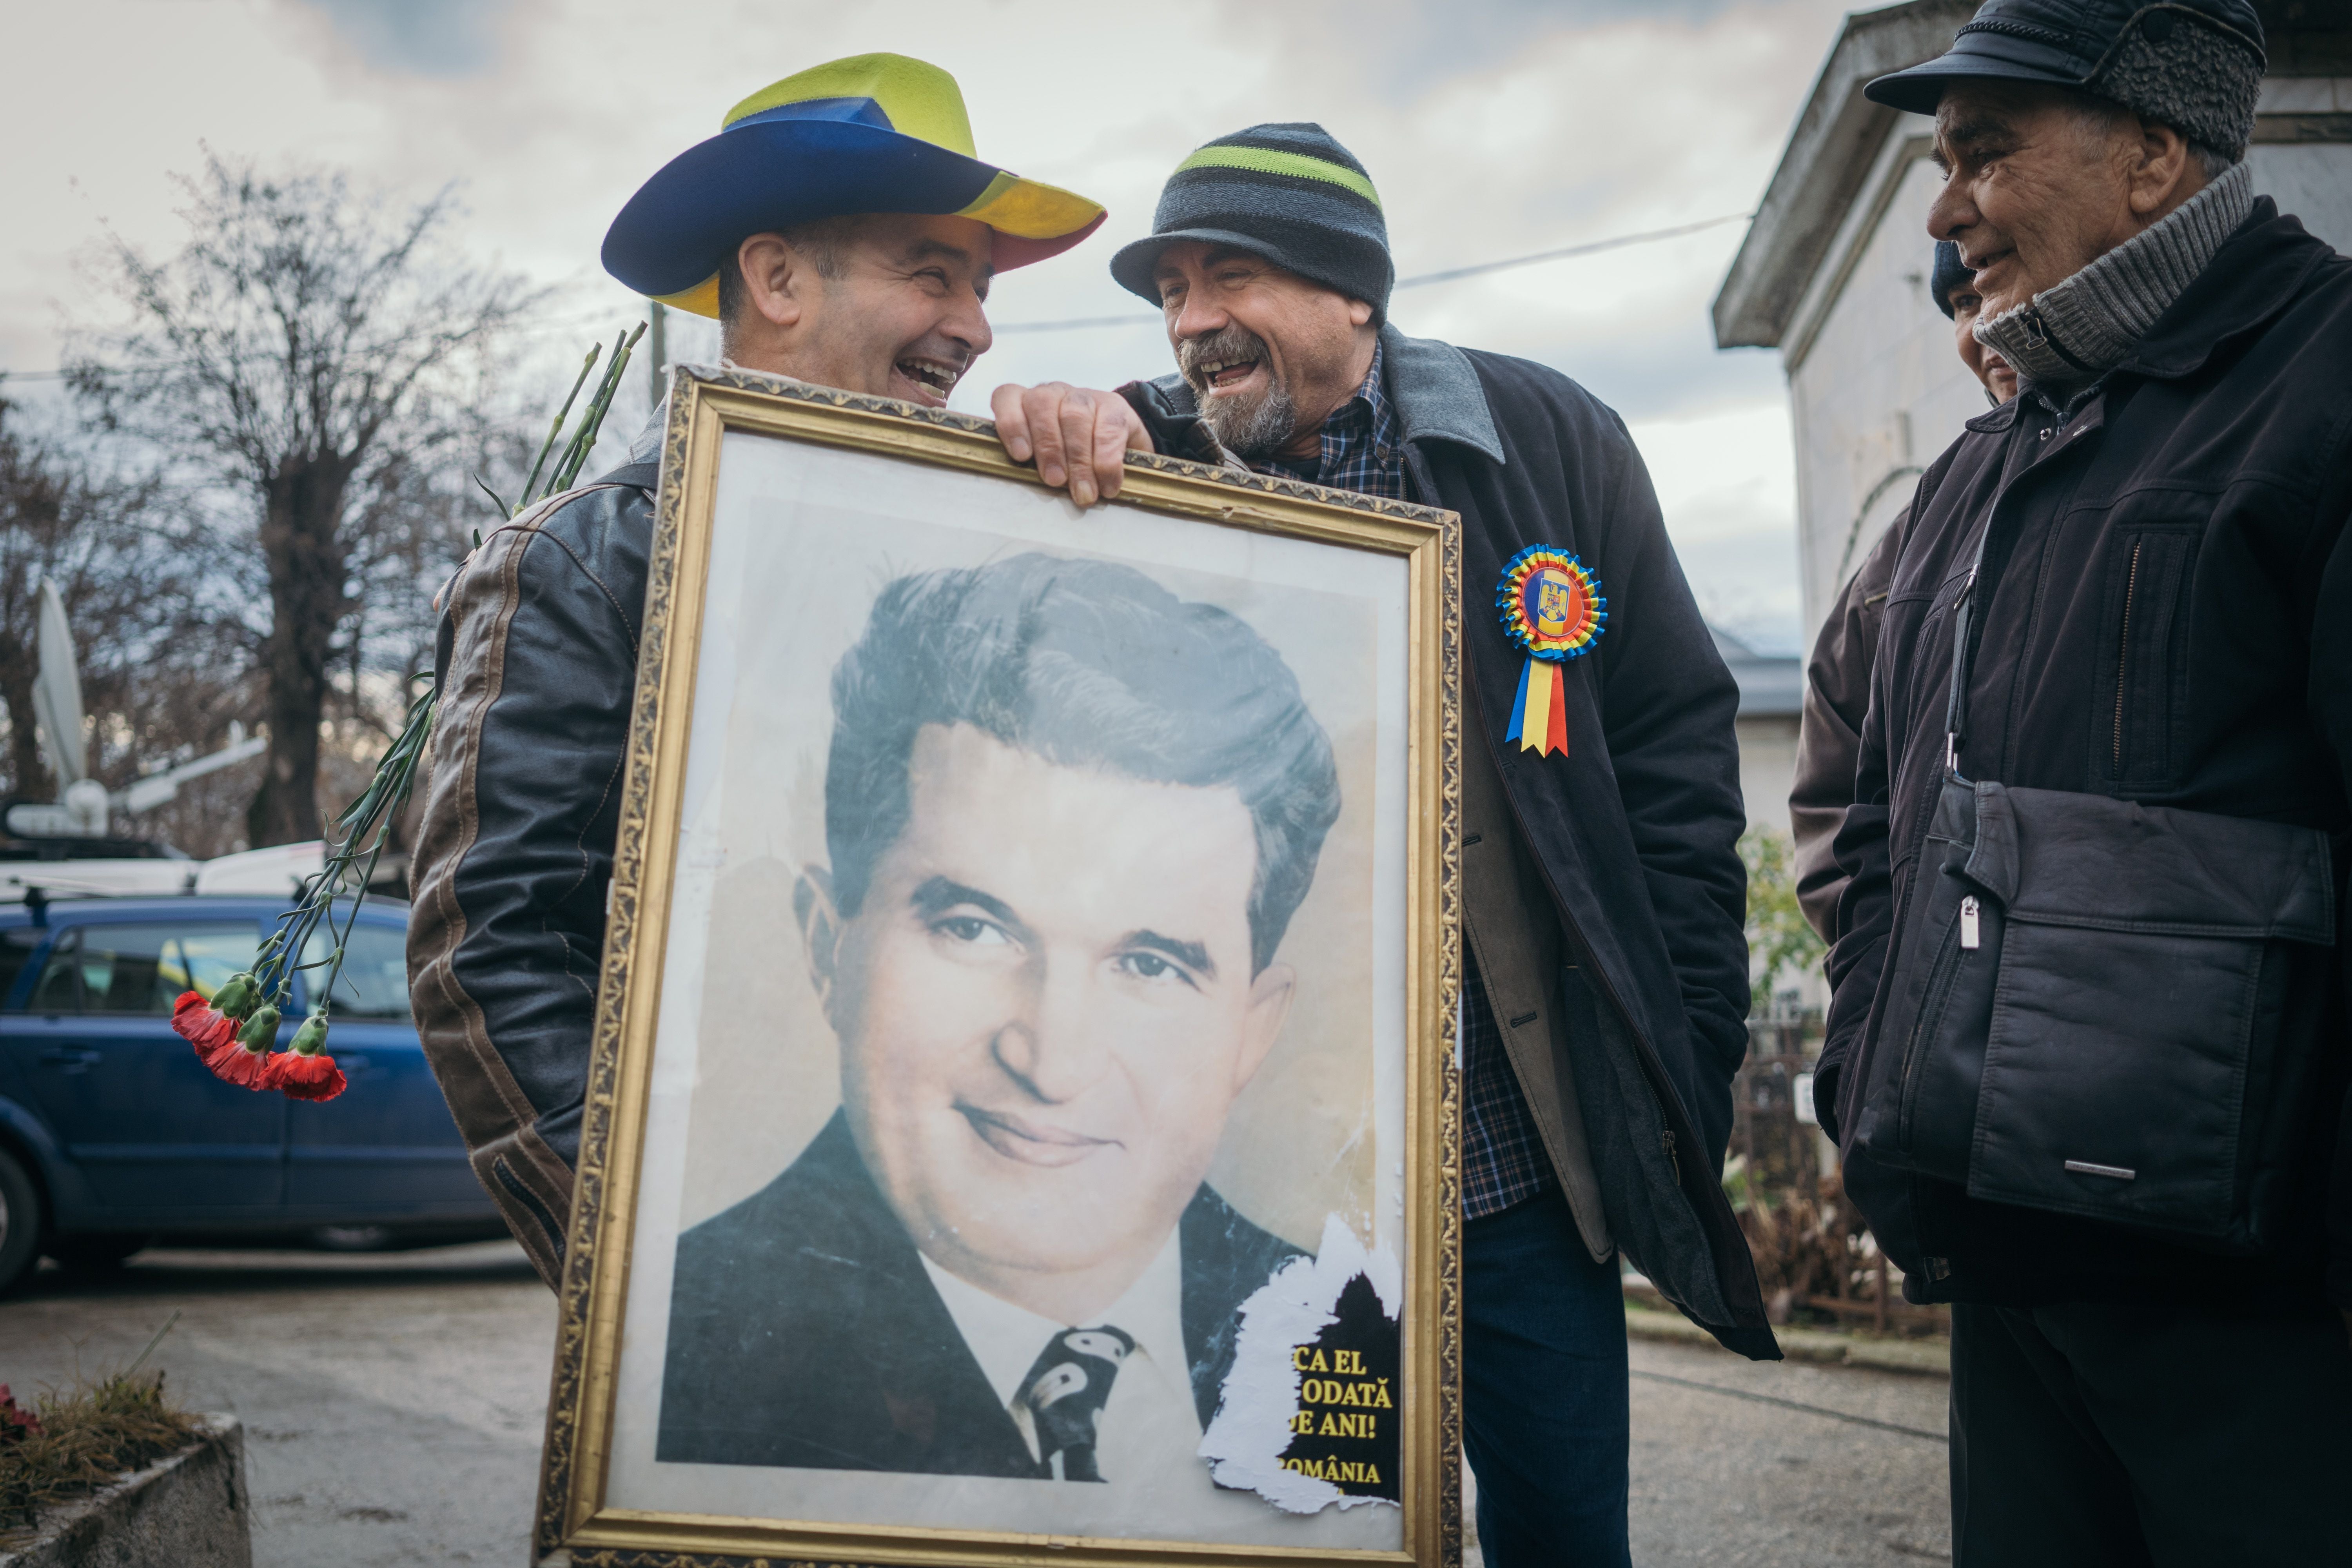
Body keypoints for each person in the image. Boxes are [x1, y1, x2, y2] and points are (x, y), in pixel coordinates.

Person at [991, 121, 1773, 1565]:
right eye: (1168, 291)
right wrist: (1040, 422)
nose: (1189, 320)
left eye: (1230, 275)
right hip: (1271, 1176)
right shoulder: (1130, 461)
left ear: (1357, 292)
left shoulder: (1549, 442)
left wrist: (1686, 1048)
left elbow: (1674, 761)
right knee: (1304, 1534)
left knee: (1559, 1536)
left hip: (1520, 1163)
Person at [406, 54, 1105, 1286]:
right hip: (736, 1266)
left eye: (984, 288)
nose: (979, 327)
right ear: (777, 277)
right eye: (931, 272)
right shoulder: (585, 561)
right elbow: (492, 945)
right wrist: (654, 1268)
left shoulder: (996, 547)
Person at [1818, 3, 2352, 1563]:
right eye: (1939, 162)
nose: (1943, 206)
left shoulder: (2324, 389)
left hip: (2265, 1309)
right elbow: (1868, 814)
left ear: (2155, 156)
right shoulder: (1983, 463)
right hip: (2005, 1265)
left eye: (1987, 153)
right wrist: (1874, 1071)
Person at [657, 553, 1336, 1481]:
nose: (1052, 1059)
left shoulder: (1350, 1336)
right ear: (828, 947)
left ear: (1253, 1031)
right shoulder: (669, 1351)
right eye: (974, 927)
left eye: (1149, 962)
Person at [1791, 240, 2014, 941]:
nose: (1981, 330)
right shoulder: (1919, 533)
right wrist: (1885, 987)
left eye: (1995, 287)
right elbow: (1833, 813)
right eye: (1962, 304)